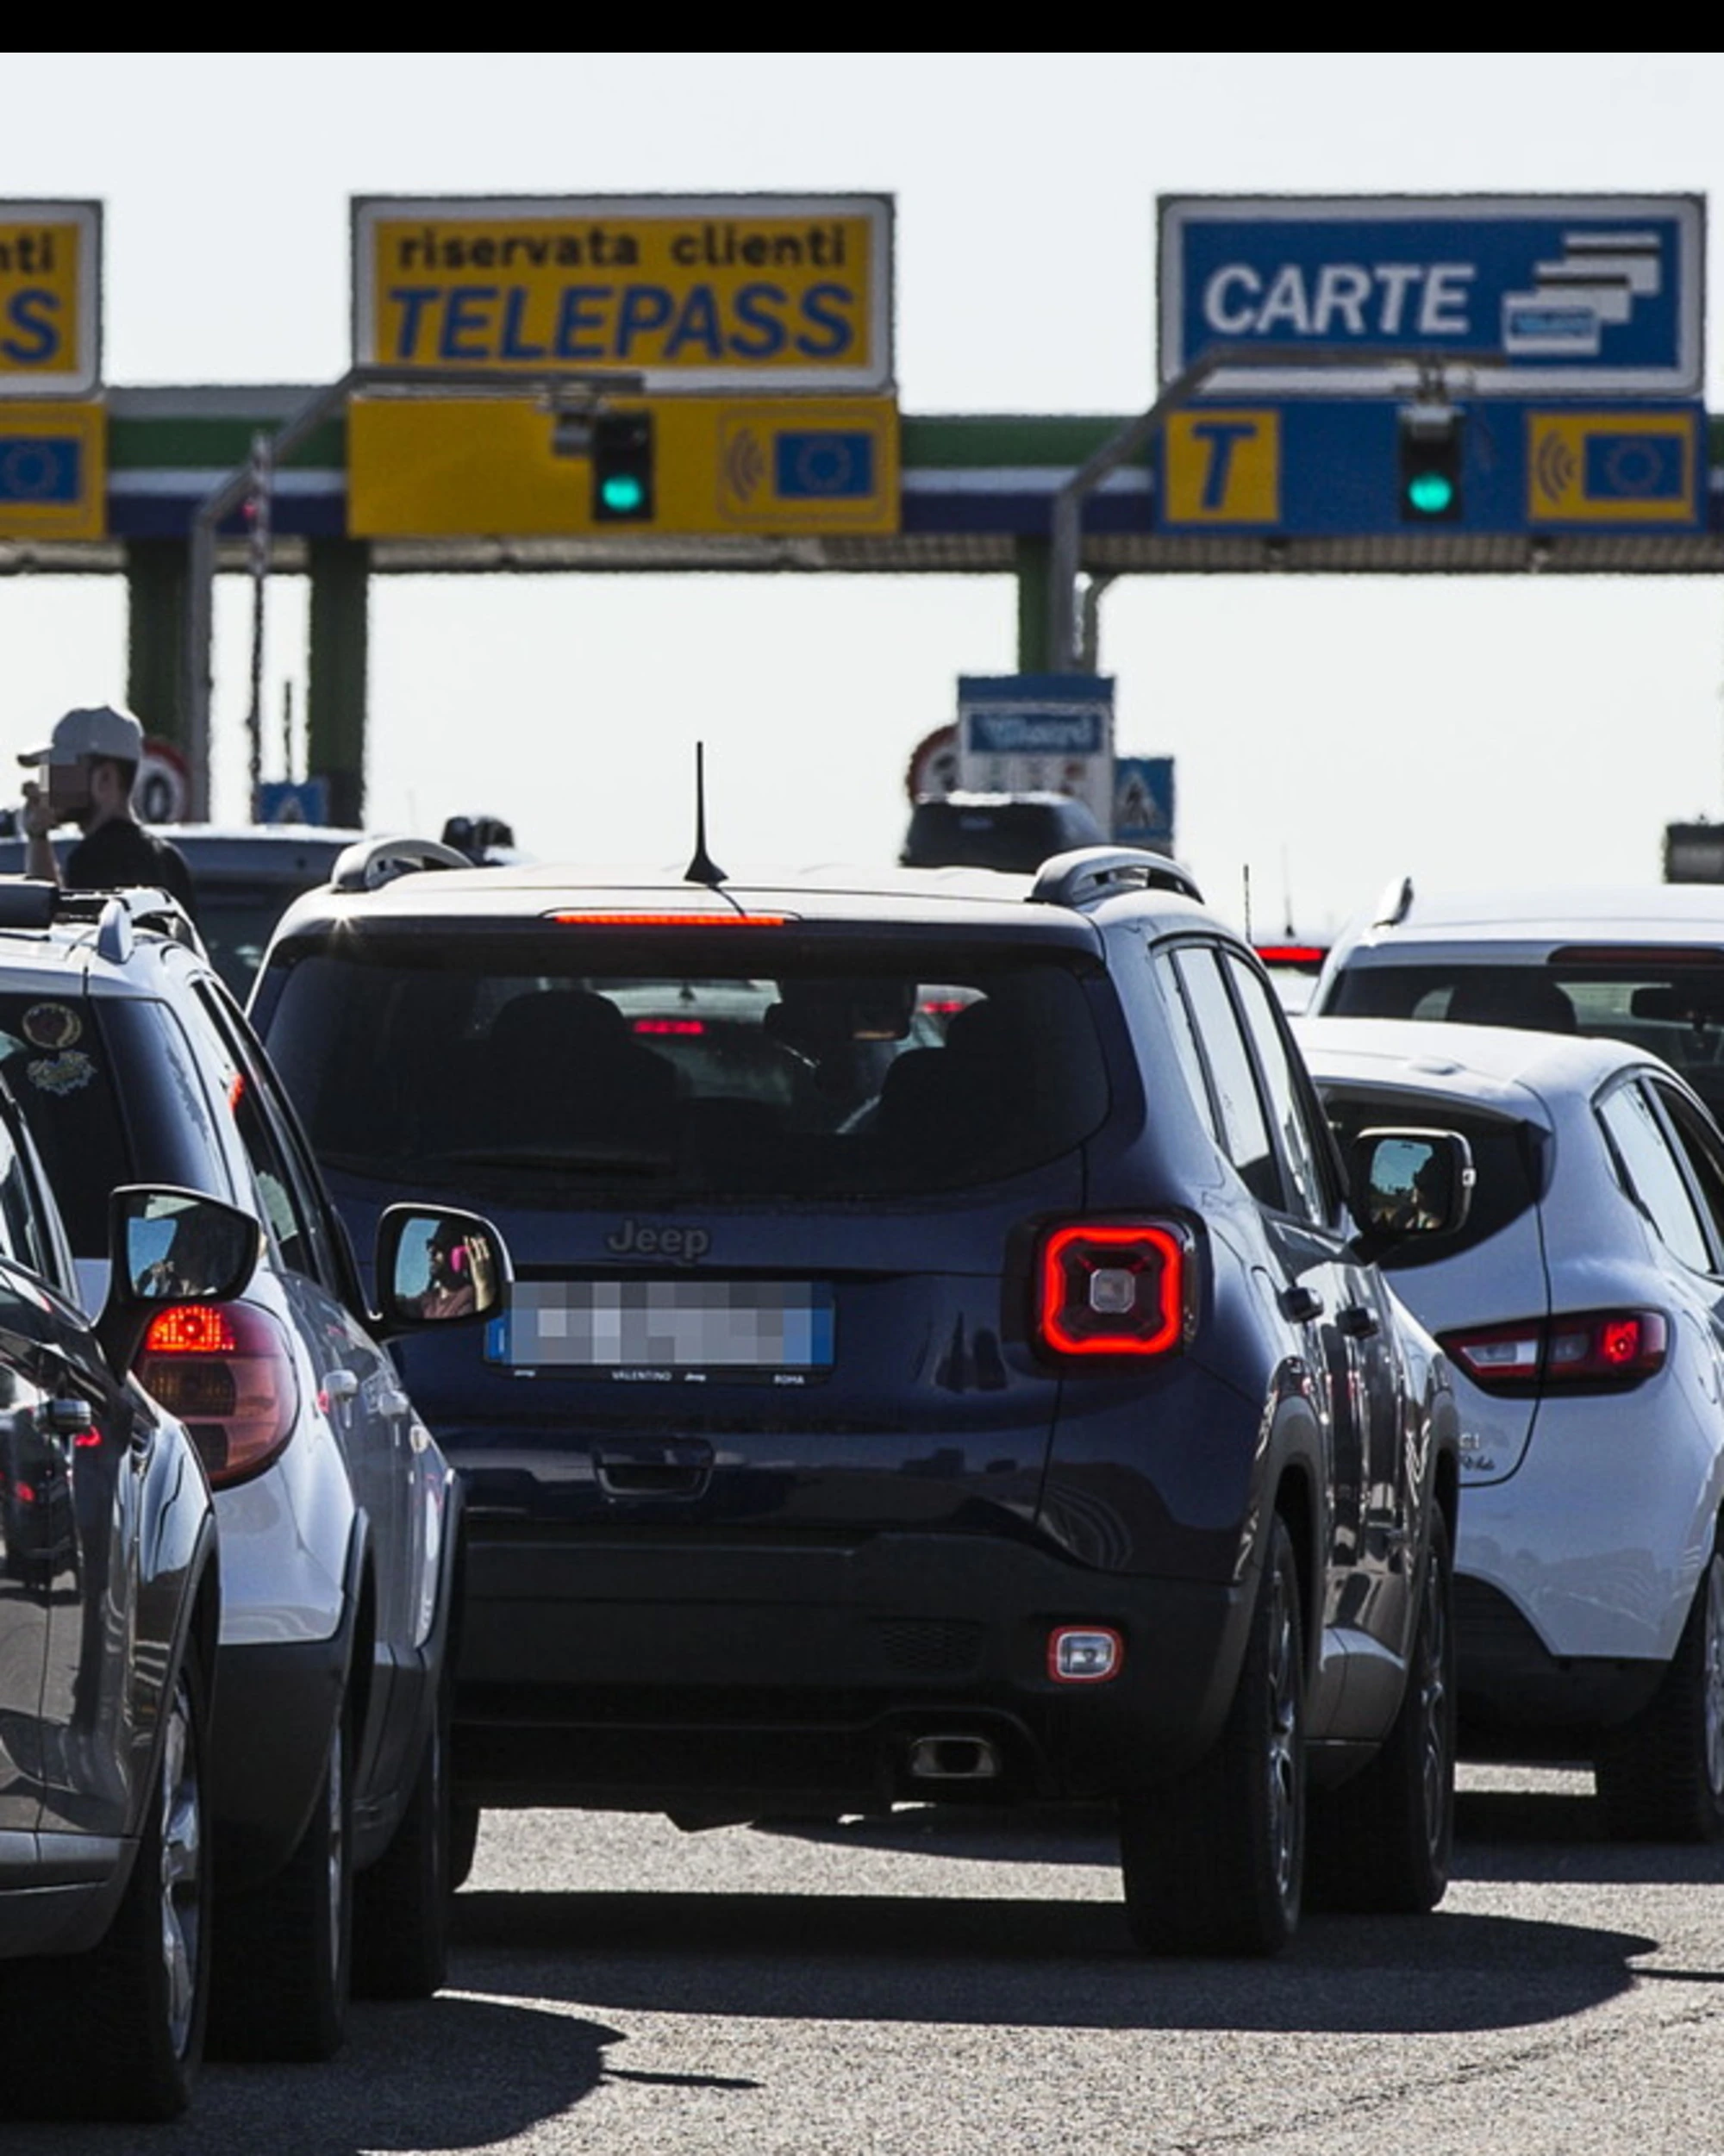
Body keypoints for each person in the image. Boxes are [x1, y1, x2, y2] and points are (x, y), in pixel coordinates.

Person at [18, 703, 197, 918]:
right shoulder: (169, 860)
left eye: (61, 768)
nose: (48, 784)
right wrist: (38, 836)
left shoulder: (94, 859)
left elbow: (62, 927)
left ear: (105, 778)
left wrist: (38, 838)